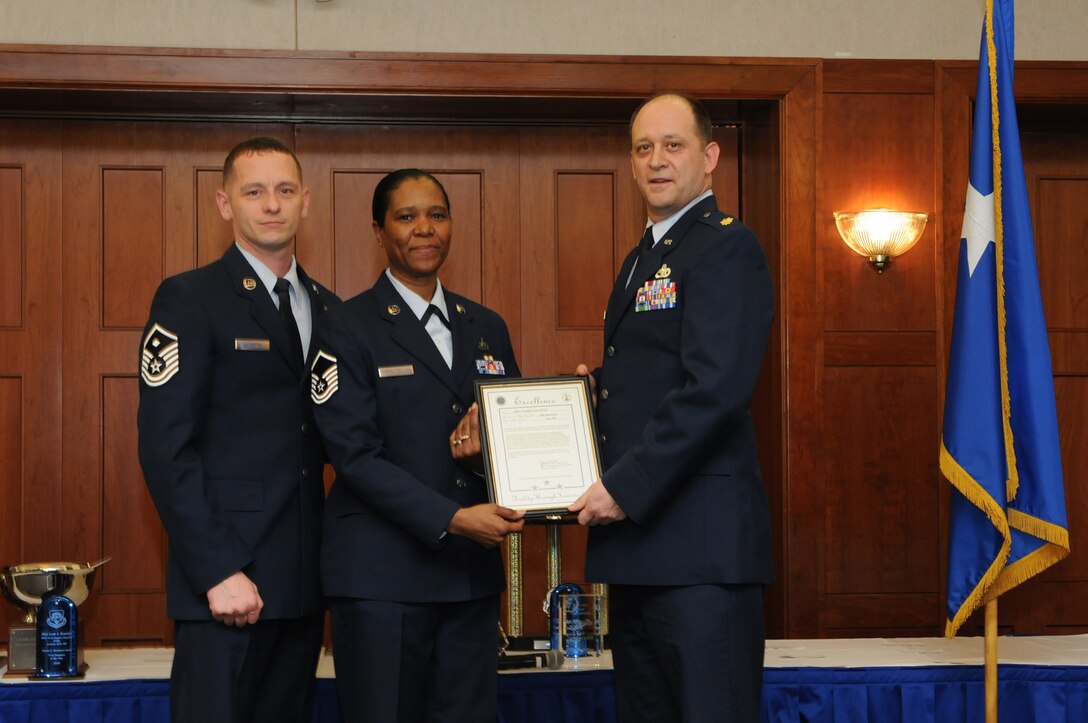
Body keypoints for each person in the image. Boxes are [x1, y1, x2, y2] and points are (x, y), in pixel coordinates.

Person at [569, 93, 775, 722]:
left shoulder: (724, 247)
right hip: (642, 556)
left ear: (709, 157)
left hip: (701, 557)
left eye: (673, 145)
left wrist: (623, 486)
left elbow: (714, 388)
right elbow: (657, 375)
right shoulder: (643, 259)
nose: (657, 160)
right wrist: (593, 393)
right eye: (643, 148)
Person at [310, 168, 525, 722]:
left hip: (469, 579)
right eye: (406, 217)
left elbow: (513, 438)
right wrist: (453, 517)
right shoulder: (344, 326)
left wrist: (493, 456)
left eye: (437, 214)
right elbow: (354, 457)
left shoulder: (487, 326)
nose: (424, 228)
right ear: (380, 232)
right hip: (383, 582)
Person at [137, 137, 339, 723]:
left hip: (301, 586)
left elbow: (337, 436)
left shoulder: (329, 309)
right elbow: (165, 448)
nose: (271, 205)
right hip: (224, 588)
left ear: (306, 200)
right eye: (254, 192)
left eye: (284, 190)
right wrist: (218, 569)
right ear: (225, 204)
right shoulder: (189, 298)